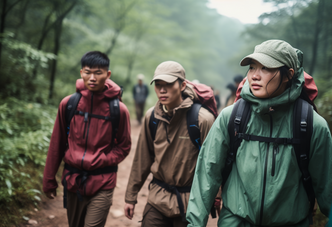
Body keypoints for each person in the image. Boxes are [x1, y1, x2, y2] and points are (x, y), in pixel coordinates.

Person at [186, 40, 332, 226]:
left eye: (265, 68)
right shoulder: (232, 117)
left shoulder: (311, 125)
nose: (254, 76)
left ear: (288, 75)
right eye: (252, 67)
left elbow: (329, 188)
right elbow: (207, 174)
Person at [43, 51, 131, 227]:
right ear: (81, 72)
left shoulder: (118, 110)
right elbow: (57, 144)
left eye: (98, 73)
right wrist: (49, 179)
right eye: (88, 71)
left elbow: (124, 146)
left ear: (108, 75)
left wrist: (104, 159)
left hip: (103, 181)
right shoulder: (69, 104)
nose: (92, 77)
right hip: (73, 180)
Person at [124, 61, 215, 227]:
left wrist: (217, 197)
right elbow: (142, 160)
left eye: (168, 84)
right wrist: (131, 196)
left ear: (182, 85)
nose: (162, 90)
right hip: (157, 198)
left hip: (190, 202)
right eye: (158, 85)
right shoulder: (151, 117)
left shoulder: (203, 119)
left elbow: (213, 164)